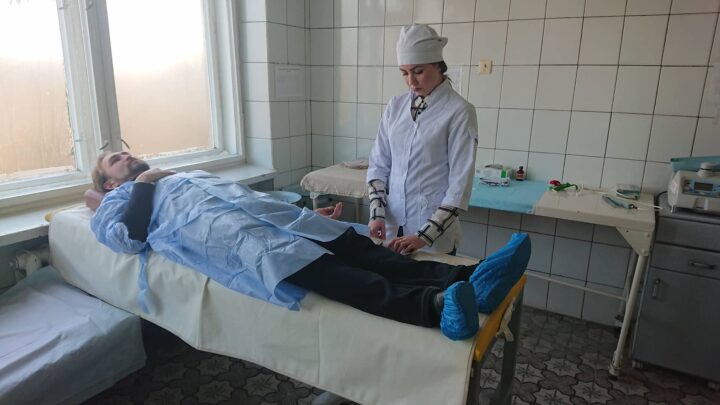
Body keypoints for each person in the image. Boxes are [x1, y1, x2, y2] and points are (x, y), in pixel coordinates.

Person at [90, 152, 529, 341]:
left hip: (283, 222)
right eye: (116, 161)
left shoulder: (180, 175)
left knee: (368, 252)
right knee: (346, 278)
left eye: (126, 155)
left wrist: (307, 214)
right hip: (250, 247)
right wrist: (143, 183)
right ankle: (437, 308)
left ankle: (471, 277)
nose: (127, 158)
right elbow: (128, 238)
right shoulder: (117, 202)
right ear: (109, 182)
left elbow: (249, 198)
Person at [367, 24, 478, 256]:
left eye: (418, 71)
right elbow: (379, 165)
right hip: (392, 228)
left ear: (438, 66)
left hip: (433, 238)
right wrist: (377, 213)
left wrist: (424, 236)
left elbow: (459, 186)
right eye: (404, 73)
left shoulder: (459, 111)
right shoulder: (395, 106)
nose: (411, 81)